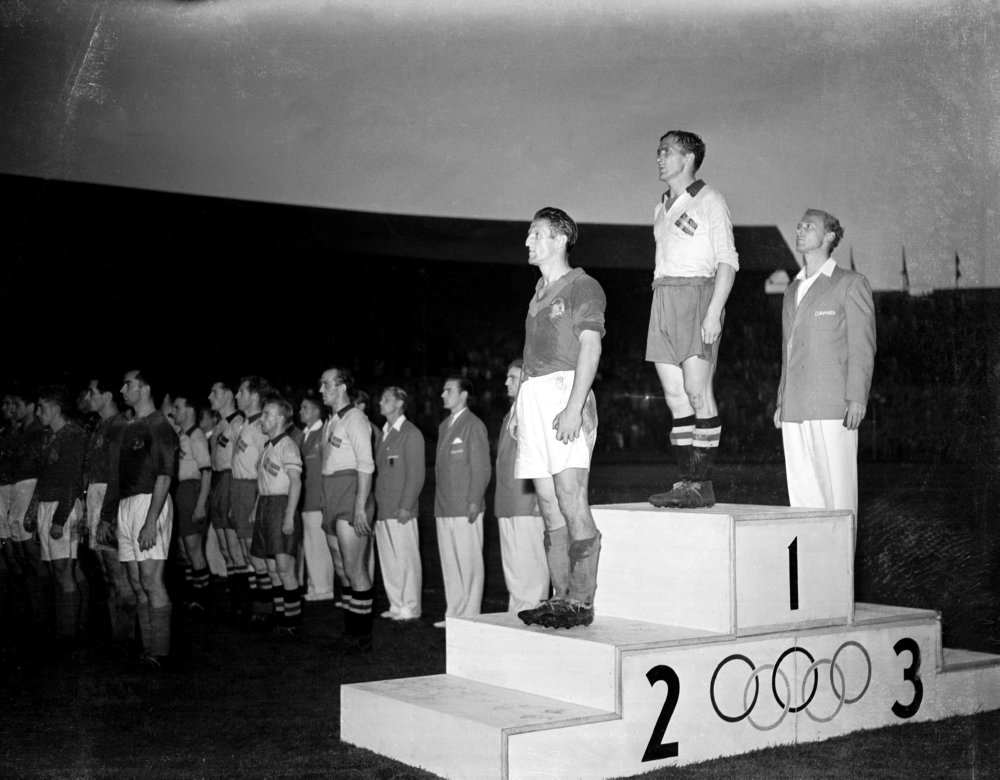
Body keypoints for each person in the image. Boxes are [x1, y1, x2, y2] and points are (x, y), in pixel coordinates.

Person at [515, 207, 605, 630]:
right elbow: (532, 358)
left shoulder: (584, 286)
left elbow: (590, 348)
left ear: (560, 239)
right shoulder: (537, 293)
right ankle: (561, 596)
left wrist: (574, 405)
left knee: (571, 498)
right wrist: (519, 406)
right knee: (549, 507)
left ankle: (581, 601)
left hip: (563, 392)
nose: (528, 242)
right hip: (533, 396)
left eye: (536, 234)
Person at [646, 130, 739, 509]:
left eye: (667, 151)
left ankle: (702, 483)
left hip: (697, 295)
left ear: (688, 159)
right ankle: (684, 482)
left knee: (699, 392)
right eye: (659, 151)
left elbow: (727, 260)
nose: (660, 157)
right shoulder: (661, 206)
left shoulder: (709, 198)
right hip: (663, 295)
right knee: (674, 396)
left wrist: (714, 310)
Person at [774, 209, 876, 524]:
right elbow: (787, 351)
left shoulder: (850, 282)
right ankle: (813, 565)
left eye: (810, 225)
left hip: (834, 407)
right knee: (804, 500)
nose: (800, 228)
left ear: (830, 236)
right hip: (795, 408)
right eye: (799, 224)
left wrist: (857, 396)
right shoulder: (792, 289)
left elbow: (863, 344)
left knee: (839, 498)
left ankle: (841, 569)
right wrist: (782, 400)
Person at [117, 369, 178, 668]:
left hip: (148, 503)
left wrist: (151, 520)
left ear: (145, 388)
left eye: (128, 384)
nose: (122, 389)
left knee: (151, 580)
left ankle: (161, 651)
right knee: (135, 580)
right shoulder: (131, 426)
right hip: (127, 504)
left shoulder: (159, 426)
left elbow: (165, 475)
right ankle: (147, 647)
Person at [319, 366, 375, 654]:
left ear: (342, 387)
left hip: (350, 492)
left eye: (327, 384)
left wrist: (361, 507)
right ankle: (350, 632)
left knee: (355, 568)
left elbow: (366, 464)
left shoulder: (355, 418)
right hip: (331, 493)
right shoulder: (331, 421)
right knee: (341, 568)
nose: (321, 390)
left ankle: (361, 636)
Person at [434, 377, 490, 628]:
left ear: (464, 394)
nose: (443, 394)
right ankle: (455, 613)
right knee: (450, 562)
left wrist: (474, 499)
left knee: (469, 562)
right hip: (444, 505)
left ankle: (470, 614)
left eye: (449, 390)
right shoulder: (445, 425)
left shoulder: (473, 425)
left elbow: (482, 468)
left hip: (465, 504)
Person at [33, 386, 88, 645]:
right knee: (58, 569)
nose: (37, 413)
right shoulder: (48, 436)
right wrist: (34, 510)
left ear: (55, 408)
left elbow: (72, 480)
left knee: (64, 569)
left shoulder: (73, 435)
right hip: (46, 505)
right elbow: (42, 478)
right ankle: (66, 624)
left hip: (62, 507)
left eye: (42, 408)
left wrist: (60, 518)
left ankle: (70, 634)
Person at [83, 376, 134, 646]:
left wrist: (108, 516)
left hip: (109, 503)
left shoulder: (119, 427)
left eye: (93, 392)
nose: (88, 397)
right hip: (96, 499)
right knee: (106, 573)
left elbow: (117, 475)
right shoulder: (101, 427)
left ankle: (127, 637)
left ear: (107, 396)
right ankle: (118, 634)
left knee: (119, 573)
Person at [495, 359, 548, 613]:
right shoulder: (512, 413)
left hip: (526, 499)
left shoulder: (533, 411)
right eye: (507, 377)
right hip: (507, 499)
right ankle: (517, 606)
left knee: (531, 559)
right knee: (514, 561)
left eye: (513, 378)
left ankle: (534, 605)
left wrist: (540, 498)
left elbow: (542, 456)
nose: (507, 382)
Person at [252, 397, 303, 637]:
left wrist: (289, 516)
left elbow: (295, 482)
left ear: (281, 419)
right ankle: (280, 618)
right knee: (271, 568)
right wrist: (256, 508)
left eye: (267, 415)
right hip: (265, 506)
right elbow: (263, 483)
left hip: (281, 506)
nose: (262, 419)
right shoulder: (267, 447)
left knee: (284, 568)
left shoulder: (288, 446)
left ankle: (292, 622)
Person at [374, 386, 425, 621]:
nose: (380, 403)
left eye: (386, 400)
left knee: (406, 559)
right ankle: (396, 603)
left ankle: (411, 606)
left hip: (401, 509)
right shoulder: (385, 433)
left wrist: (406, 504)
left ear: (398, 403)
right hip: (383, 508)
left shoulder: (410, 433)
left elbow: (416, 474)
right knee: (389, 560)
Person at [231, 376, 272, 625]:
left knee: (255, 551)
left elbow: (264, 468)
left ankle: (265, 609)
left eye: (241, 391)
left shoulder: (260, 427)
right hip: (238, 489)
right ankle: (257, 605)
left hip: (251, 489)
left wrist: (256, 501)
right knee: (247, 552)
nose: (237, 395)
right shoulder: (244, 424)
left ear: (255, 396)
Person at [207, 380, 247, 616]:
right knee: (224, 545)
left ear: (230, 395)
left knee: (234, 544)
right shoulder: (220, 424)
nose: (210, 396)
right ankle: (236, 600)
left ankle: (243, 603)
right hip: (217, 481)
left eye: (215, 392)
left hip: (230, 480)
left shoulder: (238, 423)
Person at [171, 394, 212, 611]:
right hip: (180, 491)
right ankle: (190, 595)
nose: (173, 412)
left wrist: (200, 504)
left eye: (177, 408)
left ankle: (202, 597)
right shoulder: (181, 435)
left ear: (188, 411)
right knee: (182, 548)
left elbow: (206, 471)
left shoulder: (196, 436)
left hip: (191, 491)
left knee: (193, 547)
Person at [298, 394, 335, 602]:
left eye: (304, 408)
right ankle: (314, 584)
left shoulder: (323, 432)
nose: (300, 412)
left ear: (315, 411)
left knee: (318, 545)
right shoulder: (304, 434)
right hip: (305, 499)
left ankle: (324, 587)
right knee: (310, 544)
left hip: (317, 499)